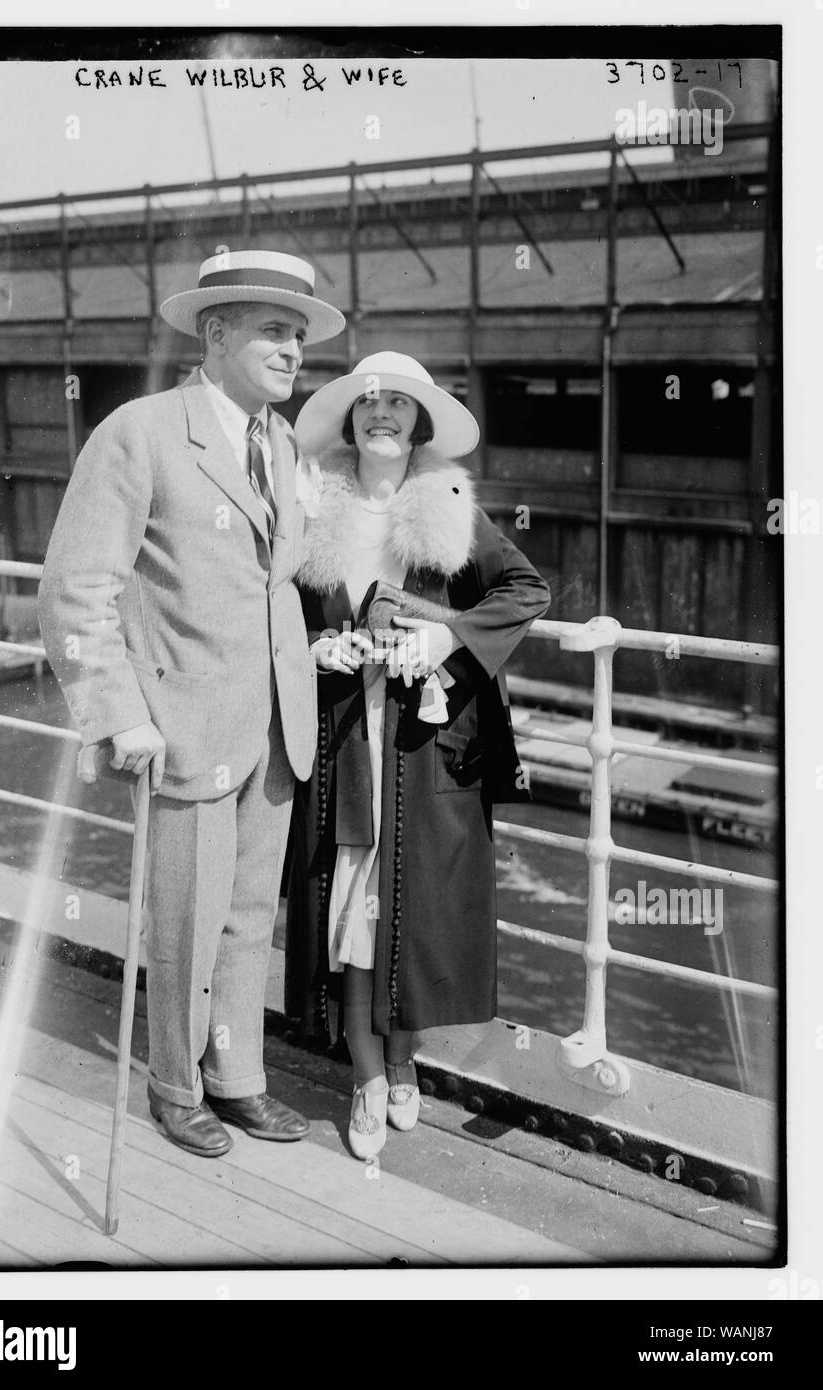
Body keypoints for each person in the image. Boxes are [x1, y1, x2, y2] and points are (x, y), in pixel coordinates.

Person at [38, 249, 345, 1156]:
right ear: (214, 334)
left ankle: (236, 1076)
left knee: (251, 916)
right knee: (185, 917)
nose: (294, 351)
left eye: (300, 335)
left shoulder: (282, 445)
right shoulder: (139, 432)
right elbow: (74, 591)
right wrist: (119, 713)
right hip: (182, 725)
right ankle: (175, 1085)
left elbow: (271, 577)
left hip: (276, 720)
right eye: (274, 333)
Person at [285, 352, 551, 1159]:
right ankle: (367, 1075)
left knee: (415, 905)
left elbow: (525, 591)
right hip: (345, 741)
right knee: (352, 912)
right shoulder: (313, 510)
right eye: (370, 406)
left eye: (399, 407)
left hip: (424, 742)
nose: (383, 417)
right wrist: (314, 649)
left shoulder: (449, 508)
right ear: (351, 423)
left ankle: (405, 1057)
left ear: (420, 424)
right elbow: (279, 616)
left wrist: (443, 635)